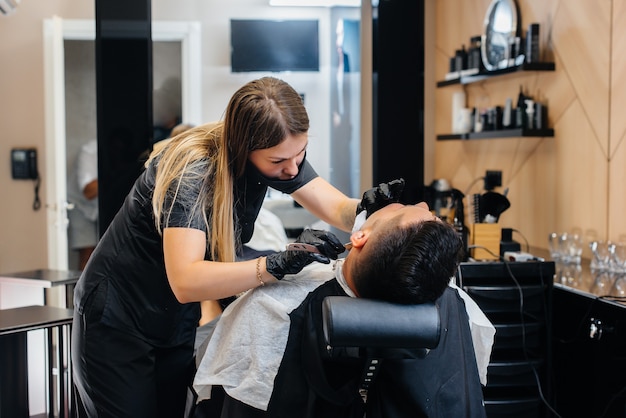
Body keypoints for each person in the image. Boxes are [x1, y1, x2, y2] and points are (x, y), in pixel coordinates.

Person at [71, 76, 405, 418]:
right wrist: (273, 265)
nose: (292, 170)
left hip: (171, 320)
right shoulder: (193, 171)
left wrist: (367, 209)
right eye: (278, 162)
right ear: (243, 148)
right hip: (117, 319)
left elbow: (334, 207)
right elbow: (186, 280)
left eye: (300, 154)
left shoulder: (280, 155)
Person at [192, 202, 492, 417]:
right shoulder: (456, 304)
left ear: (359, 237)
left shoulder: (274, 306)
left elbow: (221, 397)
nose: (423, 201)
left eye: (400, 207)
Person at [67, 138, 98, 270]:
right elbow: (88, 191)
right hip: (80, 205)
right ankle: (83, 290)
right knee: (88, 254)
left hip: (99, 207)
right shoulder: (89, 151)